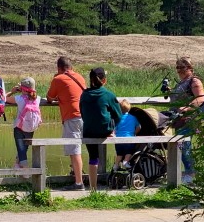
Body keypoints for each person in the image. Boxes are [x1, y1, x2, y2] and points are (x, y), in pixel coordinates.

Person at [79, 67, 123, 194]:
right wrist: (111, 128)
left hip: (88, 131)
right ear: (104, 80)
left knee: (93, 158)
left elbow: (82, 113)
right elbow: (119, 115)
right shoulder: (108, 95)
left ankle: (93, 189)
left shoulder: (84, 95)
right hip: (104, 130)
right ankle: (110, 133)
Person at [46, 56, 88, 190]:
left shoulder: (58, 79)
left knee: (74, 150)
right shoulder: (80, 77)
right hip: (85, 116)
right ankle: (77, 175)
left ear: (59, 68)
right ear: (71, 67)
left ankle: (79, 183)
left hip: (72, 116)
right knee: (76, 148)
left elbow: (49, 98)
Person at [168, 56, 204, 185]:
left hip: (189, 118)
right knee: (182, 145)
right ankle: (189, 172)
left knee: (184, 145)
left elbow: (201, 98)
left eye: (182, 67)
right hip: (179, 118)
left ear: (190, 68)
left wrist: (186, 108)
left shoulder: (194, 81)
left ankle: (191, 173)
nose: (179, 70)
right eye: (177, 67)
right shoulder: (181, 82)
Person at [8, 77, 42, 169]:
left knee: (21, 148)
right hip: (31, 127)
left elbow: (3, 98)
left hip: (19, 127)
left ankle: (25, 169)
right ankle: (17, 164)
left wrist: (13, 91)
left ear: (22, 89)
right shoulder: (38, 99)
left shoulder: (19, 98)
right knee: (24, 148)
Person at [113, 99, 140, 170]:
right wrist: (134, 133)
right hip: (129, 138)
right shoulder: (133, 118)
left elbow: (114, 129)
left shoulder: (118, 118)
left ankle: (116, 165)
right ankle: (126, 161)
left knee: (119, 154)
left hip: (118, 139)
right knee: (129, 151)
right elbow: (139, 127)